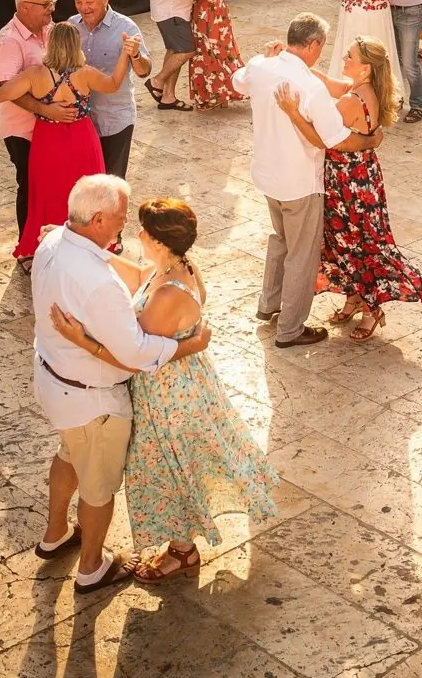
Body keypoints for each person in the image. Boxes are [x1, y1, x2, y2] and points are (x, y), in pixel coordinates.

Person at [50, 196, 279, 582]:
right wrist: (94, 254)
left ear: (158, 241)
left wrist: (82, 340)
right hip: (181, 384)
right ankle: (181, 544)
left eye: (143, 229)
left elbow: (138, 357)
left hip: (169, 396)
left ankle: (183, 552)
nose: (136, 233)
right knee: (177, 464)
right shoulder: (175, 266)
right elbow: (141, 276)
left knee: (170, 467)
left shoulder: (170, 293)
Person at [31, 175, 210, 593]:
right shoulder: (101, 280)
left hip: (55, 381)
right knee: (98, 488)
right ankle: (93, 566)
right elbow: (136, 355)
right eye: (120, 218)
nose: (126, 227)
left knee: (69, 455)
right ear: (95, 219)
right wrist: (192, 346)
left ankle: (55, 533)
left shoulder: (53, 242)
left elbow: (137, 278)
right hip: (91, 399)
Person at [231, 13, 382, 348]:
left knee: (279, 240)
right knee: (301, 254)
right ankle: (290, 330)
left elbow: (236, 82)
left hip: (266, 175)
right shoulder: (310, 88)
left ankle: (268, 305)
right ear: (313, 45)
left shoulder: (260, 65)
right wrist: (371, 141)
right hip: (299, 181)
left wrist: (264, 58)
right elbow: (336, 139)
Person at [276, 36, 422, 341]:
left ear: (365, 68)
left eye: (349, 58)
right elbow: (332, 83)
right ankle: (353, 299)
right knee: (347, 241)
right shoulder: (366, 88)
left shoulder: (352, 102)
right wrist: (298, 63)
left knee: (359, 243)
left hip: (348, 183)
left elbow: (323, 139)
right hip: (364, 175)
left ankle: (371, 310)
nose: (344, 61)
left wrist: (292, 112)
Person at [0, 22, 136, 261]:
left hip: (48, 141)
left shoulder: (35, 75)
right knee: (89, 195)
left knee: (47, 194)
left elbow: (0, 95)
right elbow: (113, 84)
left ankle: (47, 246)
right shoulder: (86, 73)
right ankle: (89, 244)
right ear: (76, 45)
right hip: (83, 139)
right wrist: (125, 55)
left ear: (51, 44)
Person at [0, 0, 72, 266]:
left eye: (52, 3)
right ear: (24, 7)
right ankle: (26, 250)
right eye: (46, 4)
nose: (52, 9)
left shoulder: (51, 30)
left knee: (49, 184)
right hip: (22, 129)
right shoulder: (9, 41)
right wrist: (44, 110)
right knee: (29, 185)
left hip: (50, 130)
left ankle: (52, 241)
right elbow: (5, 89)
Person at [69, 0, 150, 179]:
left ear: (105, 0)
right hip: (81, 121)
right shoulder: (71, 26)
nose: (83, 7)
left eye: (89, 2)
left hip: (115, 119)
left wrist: (136, 54)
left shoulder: (126, 27)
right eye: (79, 2)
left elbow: (144, 71)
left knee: (112, 182)